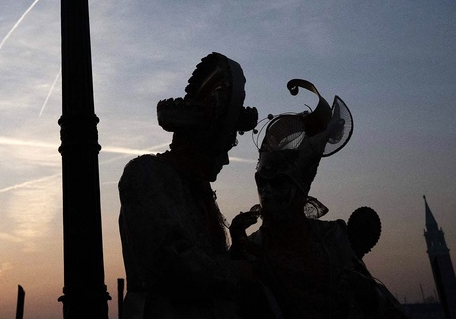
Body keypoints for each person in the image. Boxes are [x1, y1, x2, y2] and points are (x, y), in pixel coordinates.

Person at [229, 79, 404, 319]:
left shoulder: (334, 239)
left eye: (278, 182)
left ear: (300, 189)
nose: (267, 191)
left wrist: (364, 293)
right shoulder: (251, 248)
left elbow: (383, 309)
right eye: (262, 182)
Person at [118, 52, 259, 319]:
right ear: (203, 142)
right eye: (224, 148)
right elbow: (170, 266)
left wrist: (235, 251)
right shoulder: (146, 174)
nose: (226, 160)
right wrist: (237, 271)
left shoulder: (195, 190)